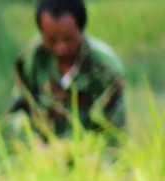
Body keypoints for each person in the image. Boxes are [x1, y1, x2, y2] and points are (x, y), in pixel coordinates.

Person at [11, 0, 127, 138]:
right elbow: (18, 110)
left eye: (68, 39)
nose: (61, 48)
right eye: (51, 40)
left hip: (90, 153)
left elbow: (115, 130)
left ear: (81, 30)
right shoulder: (31, 60)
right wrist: (34, 145)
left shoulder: (106, 68)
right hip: (40, 153)